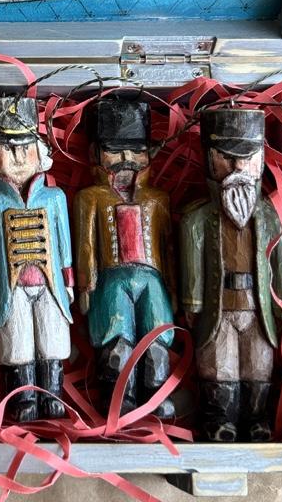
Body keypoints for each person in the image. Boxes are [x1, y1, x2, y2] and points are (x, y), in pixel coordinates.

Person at [180, 107, 282, 442]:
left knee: (258, 363)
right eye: (226, 158)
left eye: (247, 157)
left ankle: (257, 419)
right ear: (209, 159)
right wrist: (193, 303)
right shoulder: (197, 218)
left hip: (257, 308)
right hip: (220, 307)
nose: (238, 167)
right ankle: (220, 420)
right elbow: (193, 264)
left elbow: (280, 262)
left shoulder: (269, 215)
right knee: (218, 364)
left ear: (261, 160)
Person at [0, 96, 73, 422]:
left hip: (50, 285)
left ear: (40, 151)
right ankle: (24, 397)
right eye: (8, 147)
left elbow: (64, 243)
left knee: (52, 339)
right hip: (10, 288)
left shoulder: (54, 198)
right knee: (16, 342)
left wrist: (69, 280)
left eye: (25, 146)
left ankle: (53, 393)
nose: (19, 156)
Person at [74, 99, 176, 418]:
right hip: (111, 279)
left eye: (137, 151)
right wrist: (86, 285)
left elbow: (168, 247)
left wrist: (174, 288)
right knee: (116, 340)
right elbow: (86, 244)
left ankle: (155, 394)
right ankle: (120, 395)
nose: (127, 159)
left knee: (157, 337)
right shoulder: (90, 197)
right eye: (115, 152)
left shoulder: (158, 199)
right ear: (95, 153)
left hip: (153, 280)